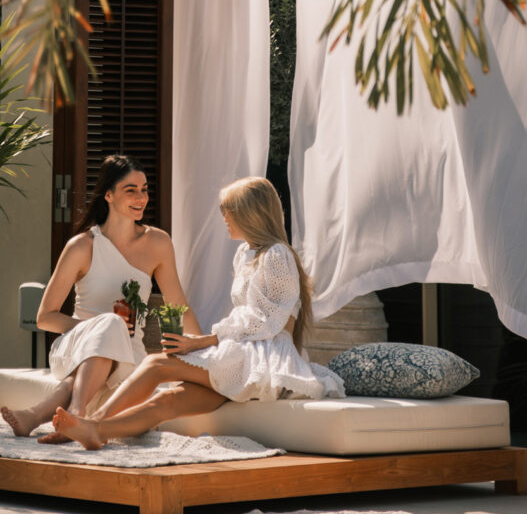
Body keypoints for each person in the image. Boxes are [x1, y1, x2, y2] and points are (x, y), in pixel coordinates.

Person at [52, 174, 345, 450]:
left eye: (229, 210)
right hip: (242, 351)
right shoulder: (246, 254)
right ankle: (95, 431)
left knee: (156, 364)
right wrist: (207, 342)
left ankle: (91, 420)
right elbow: (248, 318)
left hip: (263, 357)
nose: (224, 217)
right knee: (168, 401)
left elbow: (266, 321)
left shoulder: (277, 255)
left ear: (250, 213)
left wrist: (203, 341)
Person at [0, 153, 202, 439]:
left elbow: (179, 306)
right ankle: (78, 413)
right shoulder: (82, 246)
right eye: (131, 190)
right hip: (75, 346)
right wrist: (97, 328)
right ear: (108, 195)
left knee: (109, 335)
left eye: (144, 189)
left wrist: (204, 356)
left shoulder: (158, 242)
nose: (141, 198)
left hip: (129, 354)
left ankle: (35, 415)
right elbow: (45, 317)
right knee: (110, 325)